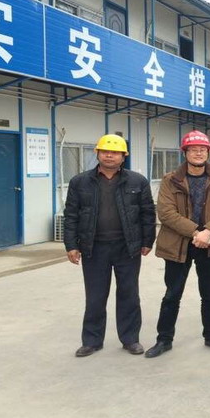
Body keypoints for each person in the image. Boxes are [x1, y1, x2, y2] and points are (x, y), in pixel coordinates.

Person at [63, 134, 155, 357]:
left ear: (123, 156)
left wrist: (147, 241)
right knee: (95, 296)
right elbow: (71, 215)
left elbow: (147, 213)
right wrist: (71, 245)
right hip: (94, 248)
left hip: (127, 248)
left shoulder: (137, 181)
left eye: (115, 152)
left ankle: (130, 339)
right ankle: (92, 341)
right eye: (105, 151)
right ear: (97, 153)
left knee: (129, 295)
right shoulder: (80, 182)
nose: (110, 156)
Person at [145, 131, 210, 358]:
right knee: (172, 293)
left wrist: (207, 232)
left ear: (208, 152)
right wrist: (195, 232)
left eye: (202, 149)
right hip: (178, 243)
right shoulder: (170, 180)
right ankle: (164, 339)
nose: (198, 153)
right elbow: (166, 212)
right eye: (193, 149)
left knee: (209, 292)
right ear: (185, 153)